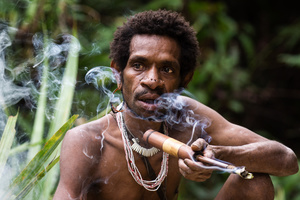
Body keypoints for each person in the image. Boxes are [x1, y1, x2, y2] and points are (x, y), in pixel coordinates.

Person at [53, 9, 298, 200]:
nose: (152, 80)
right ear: (118, 73)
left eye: (167, 69)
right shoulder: (89, 141)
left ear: (184, 80)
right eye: (138, 65)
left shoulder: (187, 116)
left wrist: (218, 156)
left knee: (254, 182)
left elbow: (287, 160)